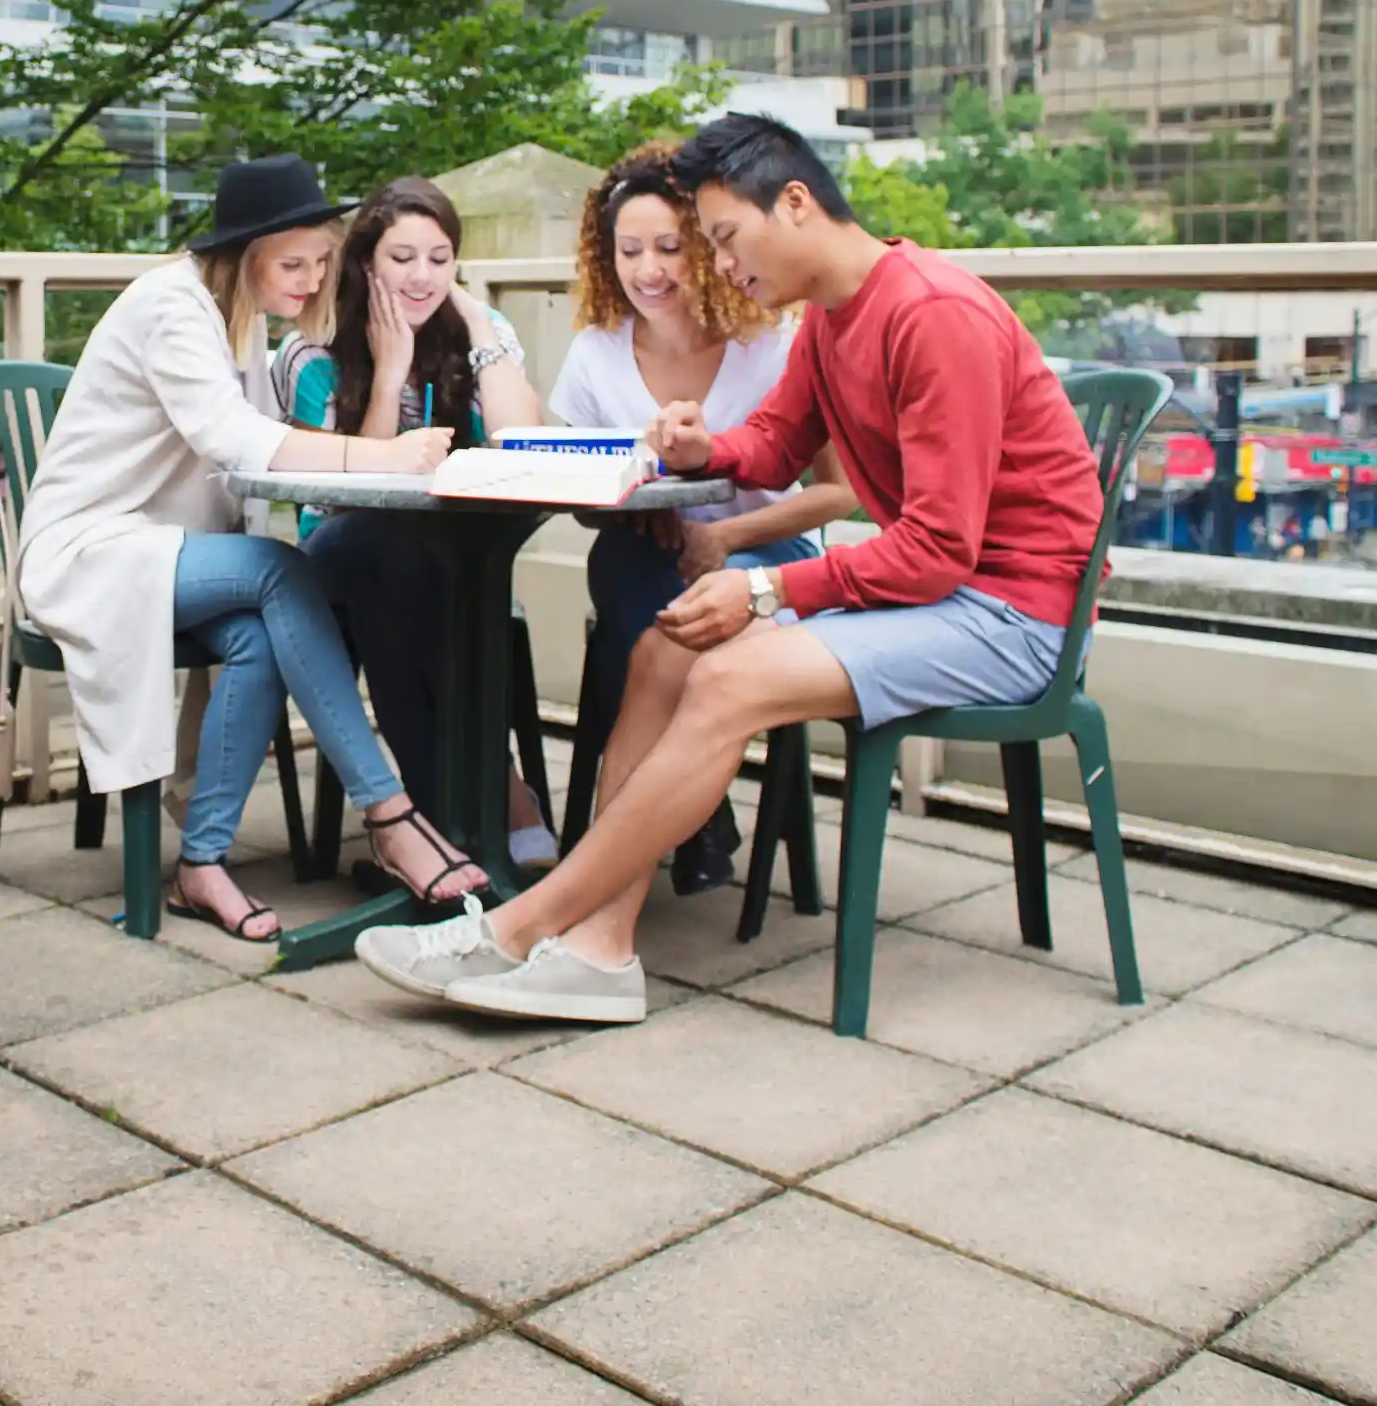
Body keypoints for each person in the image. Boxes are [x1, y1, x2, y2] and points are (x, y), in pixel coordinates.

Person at [356, 112, 1105, 1023]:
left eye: (721, 238)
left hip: (1012, 616)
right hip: (945, 598)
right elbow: (778, 439)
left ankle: (518, 928)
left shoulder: (931, 315)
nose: (719, 265)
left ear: (793, 204)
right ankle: (598, 950)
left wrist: (765, 584)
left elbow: (939, 549)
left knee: (727, 673)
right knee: (662, 651)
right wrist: (699, 448)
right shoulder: (835, 319)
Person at [16, 153, 492, 941]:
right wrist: (382, 455)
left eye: (320, 262)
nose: (311, 280)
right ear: (244, 259)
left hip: (165, 554)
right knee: (281, 569)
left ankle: (201, 866)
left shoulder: (240, 321)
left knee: (262, 631)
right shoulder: (171, 307)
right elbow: (236, 440)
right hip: (89, 554)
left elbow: (279, 453)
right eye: (293, 264)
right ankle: (390, 811)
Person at [548, 146, 855, 887]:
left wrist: (724, 535)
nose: (648, 270)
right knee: (627, 569)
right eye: (628, 251)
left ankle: (650, 831)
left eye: (669, 248)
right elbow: (570, 484)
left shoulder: (772, 346)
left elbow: (842, 494)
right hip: (647, 556)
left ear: (710, 249)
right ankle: (695, 817)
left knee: (670, 613)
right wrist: (626, 509)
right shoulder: (595, 354)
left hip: (765, 558)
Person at [275, 176, 556, 867]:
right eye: (402, 258)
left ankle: (434, 832)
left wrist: (480, 322)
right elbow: (347, 499)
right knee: (382, 554)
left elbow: (526, 440)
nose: (422, 275)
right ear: (366, 263)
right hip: (331, 568)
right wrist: (393, 368)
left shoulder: (482, 338)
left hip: (444, 573)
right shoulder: (312, 351)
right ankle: (499, 799)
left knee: (401, 590)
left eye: (440, 257)